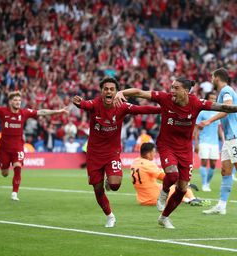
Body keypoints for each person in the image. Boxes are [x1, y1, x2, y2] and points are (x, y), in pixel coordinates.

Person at [114, 76, 237, 229]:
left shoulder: (196, 103)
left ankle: (164, 217)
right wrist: (122, 92)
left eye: (176, 88)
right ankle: (164, 191)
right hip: (167, 145)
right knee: (172, 175)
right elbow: (140, 92)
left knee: (183, 188)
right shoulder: (165, 98)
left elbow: (224, 108)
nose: (172, 90)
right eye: (172, 87)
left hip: (185, 149)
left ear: (186, 91)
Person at [73, 76, 161, 228]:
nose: (108, 91)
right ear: (101, 92)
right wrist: (79, 103)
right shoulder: (95, 104)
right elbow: (84, 104)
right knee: (98, 189)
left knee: (114, 185)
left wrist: (163, 109)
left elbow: (142, 109)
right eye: (106, 89)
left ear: (116, 92)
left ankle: (109, 179)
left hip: (112, 153)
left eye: (111, 89)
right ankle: (110, 216)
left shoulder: (122, 106)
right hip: (94, 154)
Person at [0, 90, 69, 201]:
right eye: (15, 100)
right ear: (10, 102)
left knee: (18, 167)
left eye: (19, 100)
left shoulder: (24, 112)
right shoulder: (3, 111)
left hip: (18, 146)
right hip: (4, 148)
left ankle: (14, 193)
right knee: (5, 173)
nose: (18, 102)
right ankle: (6, 172)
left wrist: (58, 111)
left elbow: (41, 112)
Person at [198, 68, 237, 215]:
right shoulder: (224, 92)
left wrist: (208, 121)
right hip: (228, 138)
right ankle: (221, 206)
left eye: (212, 77)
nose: (211, 80)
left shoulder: (226, 91)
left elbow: (228, 108)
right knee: (225, 171)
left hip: (235, 136)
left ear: (217, 78)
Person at [130, 142, 203, 206]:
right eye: (154, 152)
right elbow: (165, 178)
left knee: (169, 186)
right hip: (154, 197)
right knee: (181, 185)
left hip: (142, 199)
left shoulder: (135, 162)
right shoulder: (148, 164)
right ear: (149, 154)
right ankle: (192, 199)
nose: (155, 154)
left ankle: (186, 199)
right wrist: (185, 183)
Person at [194, 91, 224, 192]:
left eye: (214, 99)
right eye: (211, 98)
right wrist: (196, 143)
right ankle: (204, 184)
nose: (213, 101)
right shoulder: (202, 112)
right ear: (207, 99)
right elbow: (197, 128)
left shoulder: (217, 113)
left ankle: (207, 183)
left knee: (213, 164)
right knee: (204, 162)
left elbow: (219, 128)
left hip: (215, 142)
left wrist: (223, 140)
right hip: (204, 141)